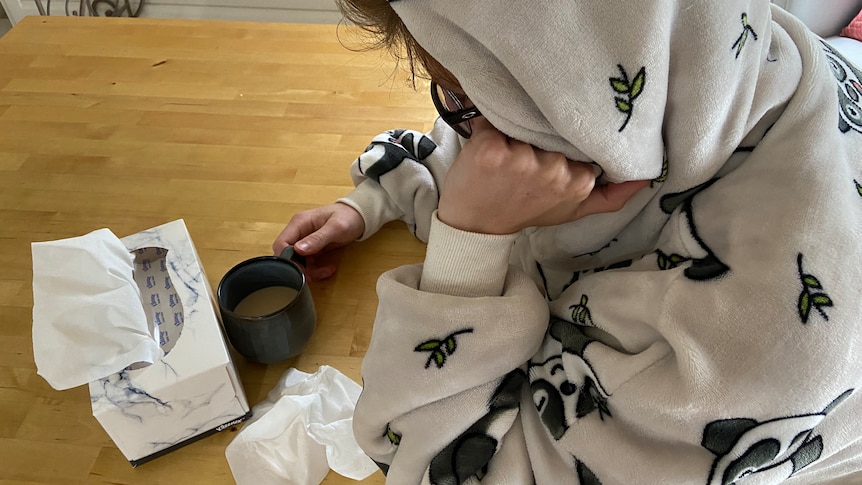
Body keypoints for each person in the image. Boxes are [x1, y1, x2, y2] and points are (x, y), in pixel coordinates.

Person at [273, 0, 862, 483]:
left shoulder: (750, 352)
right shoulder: (718, 57)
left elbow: (444, 466)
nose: (471, 131)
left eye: (464, 100)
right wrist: (378, 200)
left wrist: (469, 242)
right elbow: (513, 130)